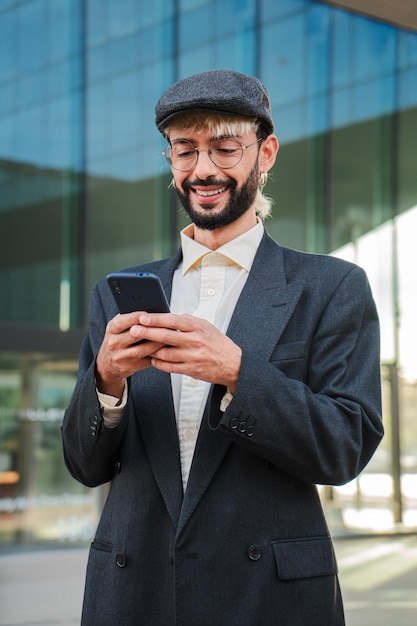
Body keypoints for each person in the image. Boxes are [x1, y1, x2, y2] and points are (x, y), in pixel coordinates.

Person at [62, 69, 383, 626]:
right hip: (133, 592)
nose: (203, 169)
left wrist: (239, 372)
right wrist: (106, 383)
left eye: (225, 148)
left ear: (266, 153)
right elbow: (84, 465)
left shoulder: (331, 287)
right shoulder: (116, 295)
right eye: (184, 150)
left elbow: (345, 447)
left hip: (269, 597)